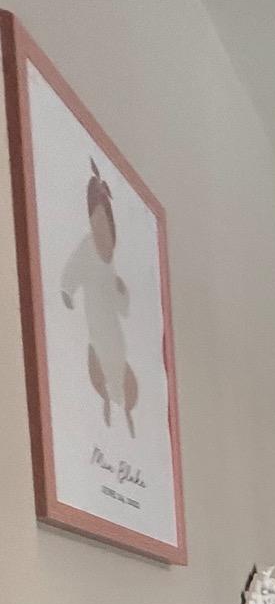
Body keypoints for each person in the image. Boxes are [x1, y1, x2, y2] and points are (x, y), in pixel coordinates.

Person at [57, 158, 139, 435]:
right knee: (102, 351)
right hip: (97, 319)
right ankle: (107, 401)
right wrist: (67, 289)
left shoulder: (110, 260)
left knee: (116, 353)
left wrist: (121, 291)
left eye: (105, 219)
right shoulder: (88, 246)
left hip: (112, 324)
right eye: (97, 218)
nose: (101, 223)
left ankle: (122, 403)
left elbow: (123, 307)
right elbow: (73, 269)